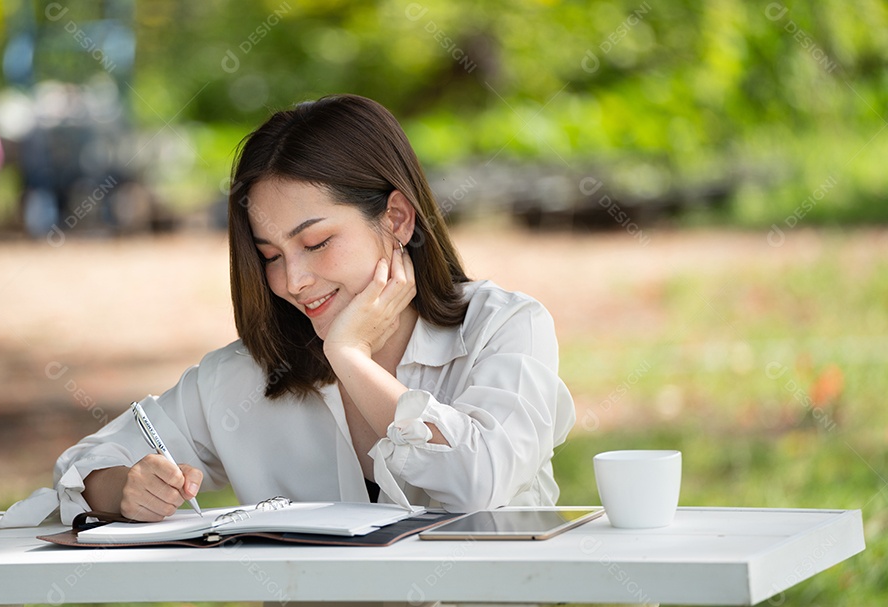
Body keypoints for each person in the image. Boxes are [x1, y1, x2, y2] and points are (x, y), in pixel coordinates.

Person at [52, 94, 575, 524]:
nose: (293, 282)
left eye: (318, 242)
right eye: (270, 255)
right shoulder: (245, 376)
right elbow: (84, 467)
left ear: (397, 218)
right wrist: (125, 488)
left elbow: (479, 482)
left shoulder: (502, 328)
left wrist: (350, 357)